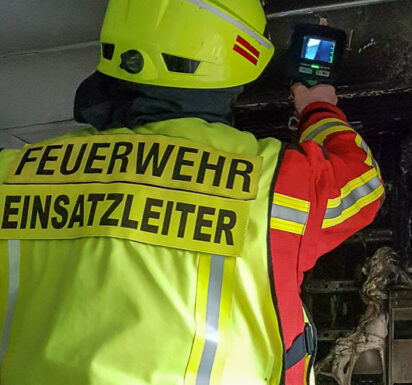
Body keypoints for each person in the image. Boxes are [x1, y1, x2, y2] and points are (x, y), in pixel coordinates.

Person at [0, 0, 383, 384]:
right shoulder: (270, 181)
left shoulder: (12, 172)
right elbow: (359, 186)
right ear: (236, 56)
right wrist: (317, 108)